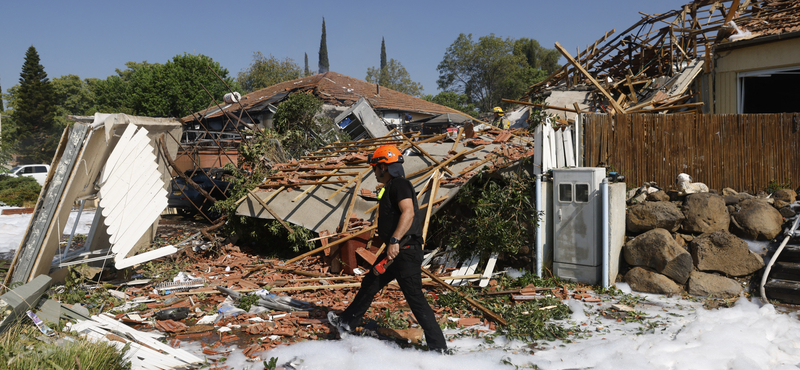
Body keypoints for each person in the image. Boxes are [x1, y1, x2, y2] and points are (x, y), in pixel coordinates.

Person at [328, 144, 448, 353]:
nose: (374, 172)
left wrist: (394, 240)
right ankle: (346, 323)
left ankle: (439, 348)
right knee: (371, 282)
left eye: (375, 168)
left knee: (415, 299)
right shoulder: (392, 186)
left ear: (384, 167)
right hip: (396, 252)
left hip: (404, 250)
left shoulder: (400, 185)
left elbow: (408, 213)